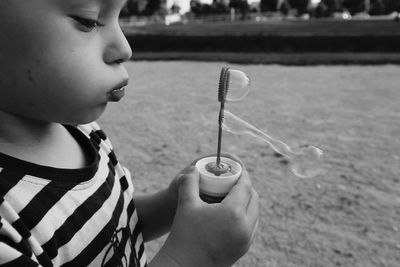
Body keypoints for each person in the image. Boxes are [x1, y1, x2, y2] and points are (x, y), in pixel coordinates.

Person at [0, 0, 260, 266]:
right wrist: (198, 256)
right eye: (88, 20)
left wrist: (171, 204)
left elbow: (117, 224)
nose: (125, 48)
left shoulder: (86, 133)